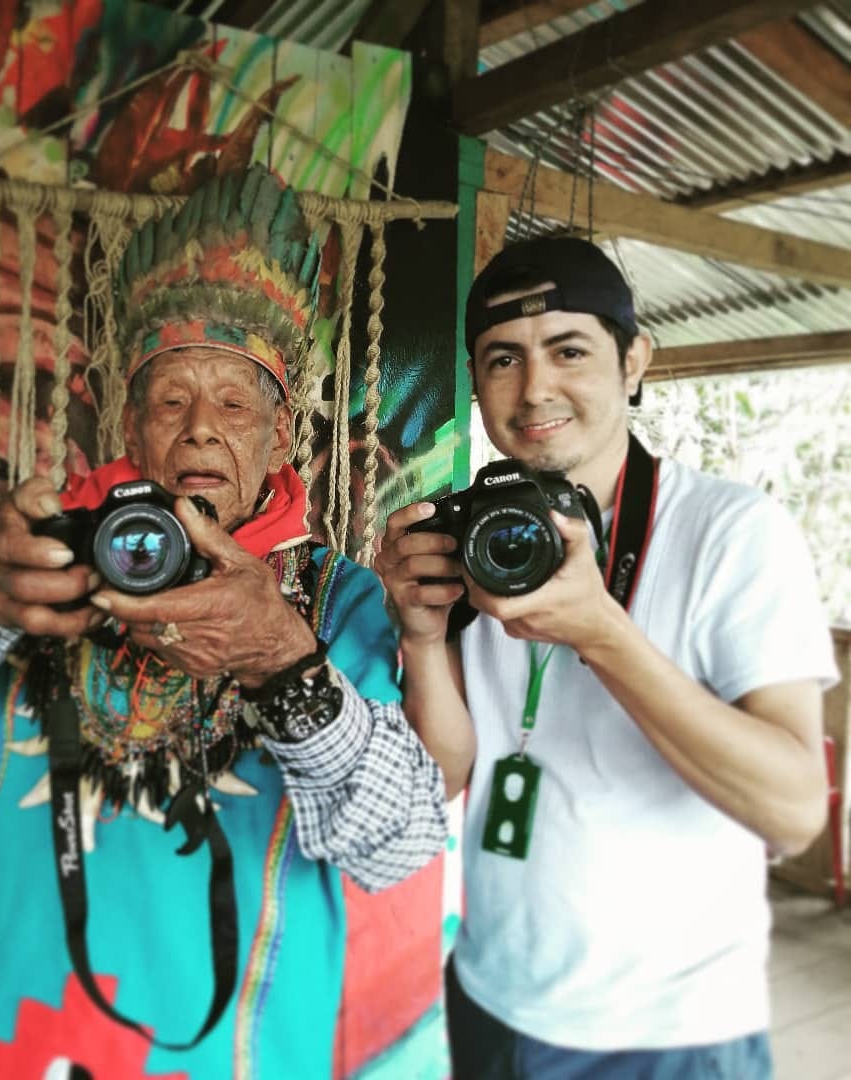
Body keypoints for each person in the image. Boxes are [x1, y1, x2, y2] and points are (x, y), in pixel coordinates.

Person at [0, 164, 447, 1079]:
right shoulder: (48, 552)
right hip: (5, 1023)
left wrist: (284, 662)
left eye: (236, 402)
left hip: (223, 1046)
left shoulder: (336, 602)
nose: (202, 429)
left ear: (281, 435)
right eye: (171, 399)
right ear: (130, 422)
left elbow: (401, 843)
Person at [377, 236, 837, 1079]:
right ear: (476, 386)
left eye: (570, 350)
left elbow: (794, 809)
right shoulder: (480, 534)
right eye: (503, 358)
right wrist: (419, 633)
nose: (535, 387)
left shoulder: (731, 534)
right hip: (489, 998)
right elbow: (442, 775)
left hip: (669, 1036)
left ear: (634, 361)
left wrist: (601, 630)